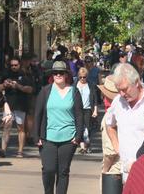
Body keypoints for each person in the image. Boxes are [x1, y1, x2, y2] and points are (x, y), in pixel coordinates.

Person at [34, 61, 83, 194]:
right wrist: (36, 136)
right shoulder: (45, 91)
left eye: (61, 73)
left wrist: (78, 137)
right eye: (55, 73)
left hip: (69, 138)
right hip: (48, 137)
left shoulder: (74, 91)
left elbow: (79, 115)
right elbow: (38, 114)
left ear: (66, 75)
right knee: (49, 170)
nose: (58, 75)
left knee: (63, 171)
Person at [105, 63, 144, 182]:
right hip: (126, 171)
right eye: (119, 90)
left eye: (124, 89)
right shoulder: (118, 102)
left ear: (137, 82)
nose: (122, 94)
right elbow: (110, 125)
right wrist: (117, 147)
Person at [0, 57, 34, 158]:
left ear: (19, 65)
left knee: (21, 128)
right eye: (12, 65)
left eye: (15, 65)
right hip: (8, 105)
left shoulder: (25, 75)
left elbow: (30, 89)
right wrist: (5, 85)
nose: (13, 67)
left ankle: (20, 151)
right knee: (7, 127)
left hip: (21, 104)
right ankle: (3, 150)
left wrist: (19, 86)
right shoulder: (6, 74)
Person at [73, 67, 97, 154]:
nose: (82, 79)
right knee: (80, 127)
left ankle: (87, 145)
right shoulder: (75, 85)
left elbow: (94, 99)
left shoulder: (91, 85)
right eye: (80, 77)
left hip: (88, 109)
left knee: (88, 128)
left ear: (87, 76)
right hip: (77, 109)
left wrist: (95, 110)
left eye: (84, 77)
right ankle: (83, 147)